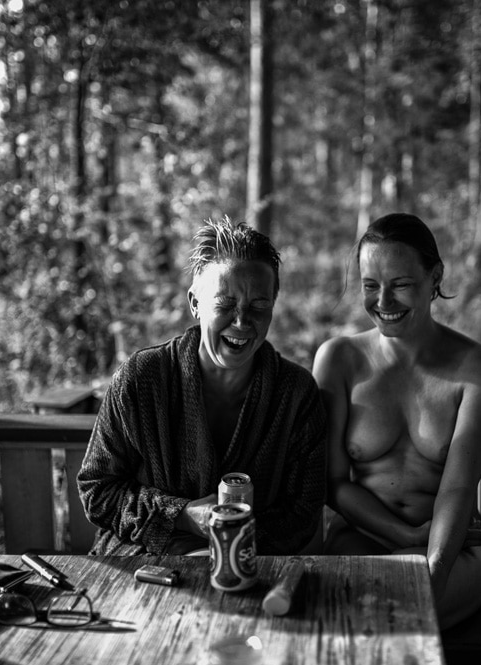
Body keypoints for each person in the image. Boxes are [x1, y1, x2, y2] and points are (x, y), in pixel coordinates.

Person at [78, 218, 326, 557]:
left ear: (273, 304)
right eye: (225, 304)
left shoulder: (295, 393)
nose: (242, 321)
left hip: (249, 565)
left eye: (258, 306)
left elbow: (303, 512)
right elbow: (98, 491)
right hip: (143, 565)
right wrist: (181, 515)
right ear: (195, 303)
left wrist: (226, 549)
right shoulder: (141, 378)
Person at [313, 212, 481, 629]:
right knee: (353, 616)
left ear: (435, 276)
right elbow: (334, 483)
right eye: (370, 286)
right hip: (359, 540)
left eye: (400, 284)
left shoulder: (479, 368)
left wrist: (433, 574)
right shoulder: (339, 360)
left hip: (450, 549)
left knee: (396, 613)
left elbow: (457, 487)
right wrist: (405, 536)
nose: (383, 303)